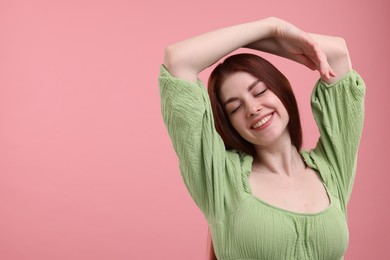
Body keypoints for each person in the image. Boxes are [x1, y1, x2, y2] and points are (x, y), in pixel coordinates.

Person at [159, 17, 365, 260]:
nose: (253, 108)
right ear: (229, 124)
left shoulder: (332, 168)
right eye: (235, 108)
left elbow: (338, 55)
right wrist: (270, 27)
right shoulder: (221, 178)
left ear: (281, 90)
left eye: (260, 91)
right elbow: (178, 60)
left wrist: (274, 37)